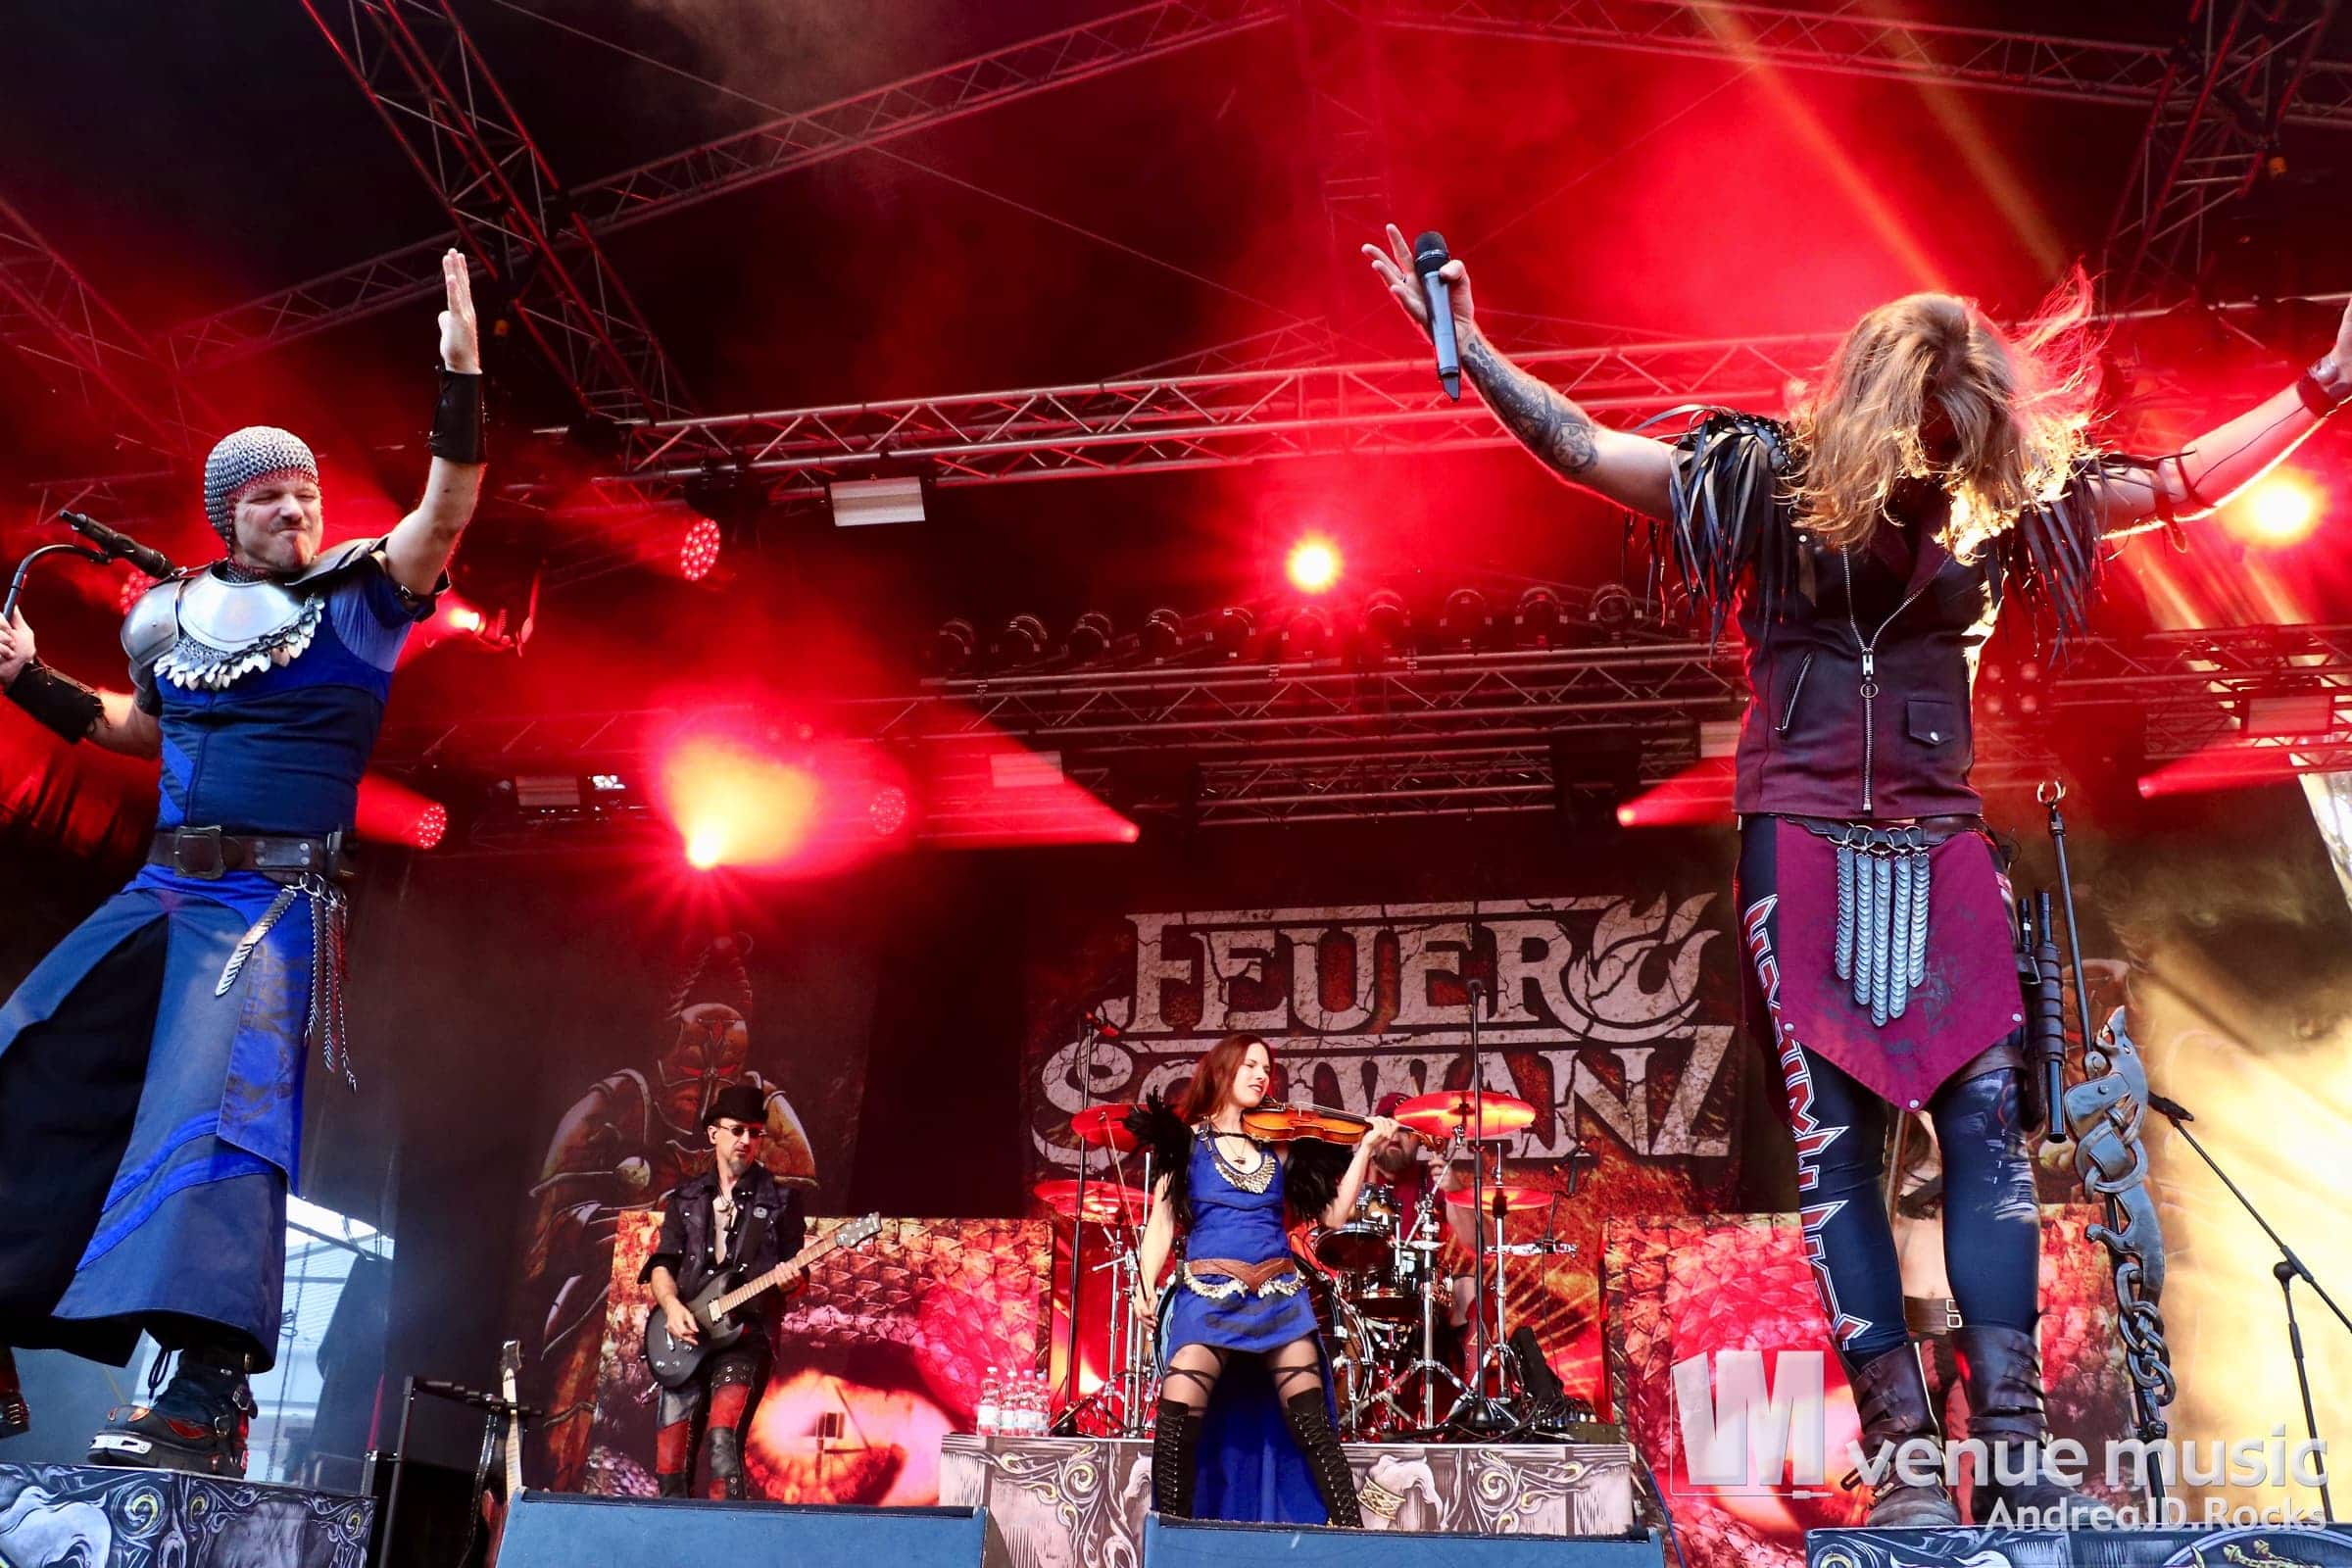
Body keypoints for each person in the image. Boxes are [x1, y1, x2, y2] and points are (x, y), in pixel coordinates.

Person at [1364, 223, 2350, 1525]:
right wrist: (1475, 349)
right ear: (1884, 405)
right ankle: (1902, 1457)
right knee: (1841, 1146)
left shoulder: (2001, 501)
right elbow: (1588, 451)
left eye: (1960, 436)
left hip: (1942, 842)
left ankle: (2014, 1448)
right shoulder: (1763, 483)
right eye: (1927, 433)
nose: (1940, 460)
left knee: (1987, 1128)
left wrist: (2325, 385)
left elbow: (2175, 485)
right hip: (1804, 837)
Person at [0, 251, 485, 1473]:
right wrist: (31, 682)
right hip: (162, 887)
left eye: (305, 493)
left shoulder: (362, 600)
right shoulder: (166, 617)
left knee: (221, 1114)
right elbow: (144, 729)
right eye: (270, 498)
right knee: (30, 1046)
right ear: (228, 514)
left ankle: (207, 1394)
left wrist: (461, 383)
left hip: (270, 899)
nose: (295, 511)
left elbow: (445, 511)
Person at [1130, 1034, 1398, 1527]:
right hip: (1208, 1297)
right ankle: (1172, 1537)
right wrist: (1144, 1284)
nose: (1260, 1076)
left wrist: (1364, 1150)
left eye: (1266, 1069)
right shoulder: (1184, 1142)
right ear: (1222, 1070)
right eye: (1249, 1065)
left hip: (1279, 1298)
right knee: (1177, 1424)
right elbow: (1161, 1224)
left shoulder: (1283, 1144)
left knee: (1314, 1426)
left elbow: (1334, 1216)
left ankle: (1351, 1534)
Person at [641, 1082, 808, 1500]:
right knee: (670, 1463)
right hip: (687, 1334)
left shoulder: (781, 1201)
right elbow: (662, 1264)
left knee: (722, 1444)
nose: (746, 1141)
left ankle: (727, 1533)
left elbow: (798, 1275)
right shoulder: (686, 1198)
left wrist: (793, 1280)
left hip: (744, 1337)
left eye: (755, 1133)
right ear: (714, 1133)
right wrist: (671, 1306)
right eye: (737, 1130)